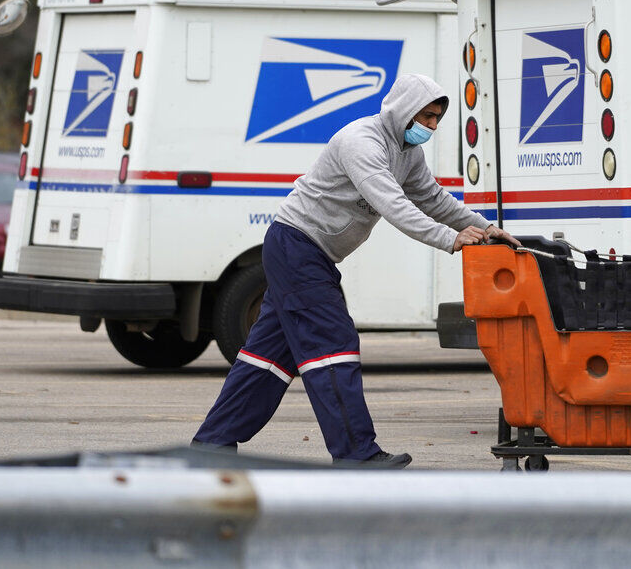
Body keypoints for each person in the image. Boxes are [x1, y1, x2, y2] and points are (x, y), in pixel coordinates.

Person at [192, 73, 520, 468]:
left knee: (268, 359)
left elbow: (432, 198)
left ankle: (212, 444)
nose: (431, 126)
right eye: (427, 117)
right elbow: (392, 204)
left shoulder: (406, 151)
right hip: (297, 246)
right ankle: (356, 454)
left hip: (307, 252)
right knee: (333, 345)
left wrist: (483, 227)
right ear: (403, 110)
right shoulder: (360, 142)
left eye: (436, 119)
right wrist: (449, 240)